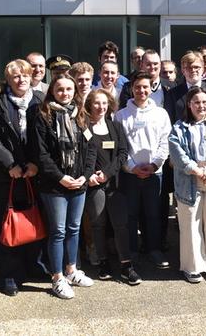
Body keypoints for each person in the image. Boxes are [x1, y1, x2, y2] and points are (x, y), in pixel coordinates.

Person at [0, 59, 44, 297]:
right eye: (16, 76)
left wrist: (36, 163)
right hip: (6, 177)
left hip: (33, 174)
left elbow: (44, 138)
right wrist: (10, 164)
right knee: (8, 226)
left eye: (25, 75)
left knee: (33, 220)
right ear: (8, 80)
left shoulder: (39, 101)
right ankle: (9, 276)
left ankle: (33, 266)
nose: (21, 79)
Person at [30, 74, 97, 300]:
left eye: (69, 89)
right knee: (58, 231)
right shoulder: (43, 116)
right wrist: (61, 178)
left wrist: (85, 177)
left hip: (78, 183)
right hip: (54, 185)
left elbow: (91, 150)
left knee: (74, 228)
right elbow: (41, 155)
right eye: (60, 89)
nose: (65, 93)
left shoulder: (81, 115)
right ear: (52, 91)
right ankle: (57, 277)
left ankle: (71, 270)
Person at [168, 87, 206, 283]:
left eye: (204, 102)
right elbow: (177, 154)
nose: (201, 106)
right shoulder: (179, 127)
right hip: (189, 180)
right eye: (196, 102)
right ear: (189, 104)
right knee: (190, 226)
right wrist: (197, 171)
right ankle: (193, 267)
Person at [115, 72, 172, 275]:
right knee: (130, 215)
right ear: (131, 89)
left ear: (151, 89)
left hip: (154, 174)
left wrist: (155, 165)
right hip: (129, 174)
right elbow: (120, 147)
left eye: (145, 87)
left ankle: (153, 249)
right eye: (138, 87)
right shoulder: (121, 115)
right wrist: (132, 167)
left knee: (153, 214)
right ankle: (131, 251)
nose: (141, 91)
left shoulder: (161, 114)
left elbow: (165, 143)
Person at [83, 89, 129, 281]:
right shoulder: (84, 129)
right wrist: (89, 176)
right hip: (94, 185)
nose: (101, 107)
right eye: (96, 103)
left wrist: (107, 173)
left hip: (115, 184)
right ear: (89, 105)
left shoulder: (116, 127)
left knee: (120, 224)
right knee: (98, 224)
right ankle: (103, 262)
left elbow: (122, 154)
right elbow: (81, 156)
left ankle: (126, 264)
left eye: (104, 103)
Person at [168, 51, 206, 122]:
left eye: (196, 67)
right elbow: (170, 119)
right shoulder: (173, 93)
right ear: (183, 70)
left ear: (203, 69)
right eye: (188, 67)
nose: (193, 70)